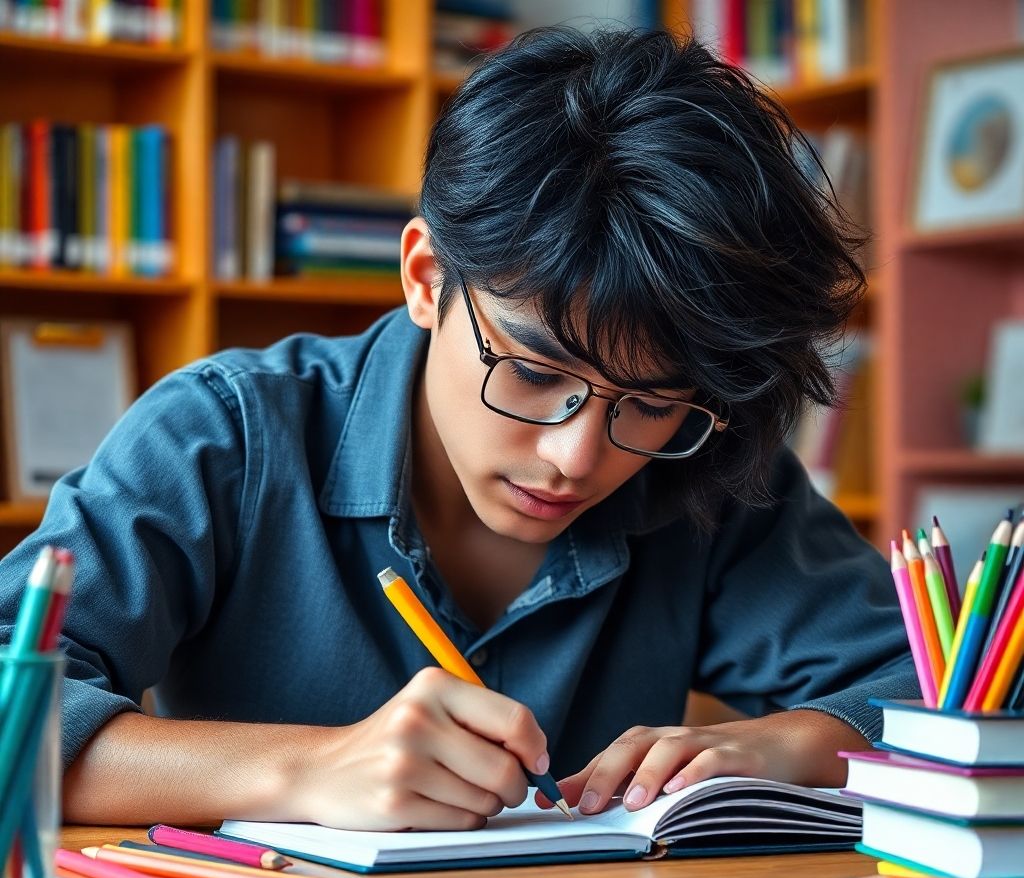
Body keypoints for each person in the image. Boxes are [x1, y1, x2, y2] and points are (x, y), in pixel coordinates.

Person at [0, 26, 917, 832]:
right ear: (426, 278)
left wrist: (789, 748)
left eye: (647, 400)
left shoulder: (700, 460)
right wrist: (305, 771)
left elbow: (964, 692)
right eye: (533, 372)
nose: (578, 456)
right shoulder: (225, 436)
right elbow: (13, 702)